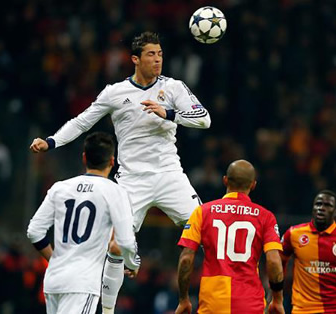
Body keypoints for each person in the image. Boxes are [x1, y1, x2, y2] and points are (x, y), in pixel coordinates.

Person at [29, 31, 211, 313]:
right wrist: (51, 141)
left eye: (160, 54)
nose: (158, 60)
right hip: (131, 180)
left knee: (207, 233)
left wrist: (169, 114)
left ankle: (220, 301)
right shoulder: (115, 93)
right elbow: (81, 122)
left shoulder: (174, 88)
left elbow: (204, 119)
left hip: (169, 175)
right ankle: (109, 310)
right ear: (135, 59)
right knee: (115, 246)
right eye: (151, 54)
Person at [26, 132, 140, 314]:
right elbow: (125, 242)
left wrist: (54, 260)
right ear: (112, 161)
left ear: (84, 158)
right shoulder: (115, 192)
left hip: (54, 280)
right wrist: (133, 263)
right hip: (82, 282)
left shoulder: (60, 188)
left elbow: (34, 231)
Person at [175, 159, 285, 314]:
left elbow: (186, 258)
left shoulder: (202, 212)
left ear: (225, 180)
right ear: (253, 185)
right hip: (250, 304)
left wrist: (183, 299)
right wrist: (277, 300)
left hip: (212, 304)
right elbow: (274, 261)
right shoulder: (265, 217)